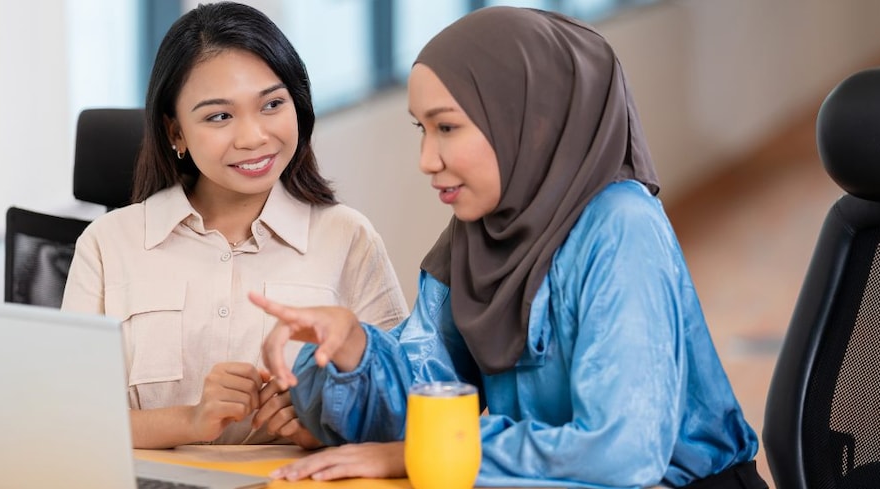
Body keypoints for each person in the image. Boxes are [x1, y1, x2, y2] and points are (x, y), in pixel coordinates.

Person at [250, 7, 767, 488]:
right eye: (421, 129)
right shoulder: (475, 236)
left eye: (447, 127)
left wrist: (416, 454)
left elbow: (620, 452)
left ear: (531, 122)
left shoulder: (621, 226)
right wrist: (352, 347)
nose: (427, 159)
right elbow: (423, 399)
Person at [62, 1, 409, 450]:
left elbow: (402, 407)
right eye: (219, 116)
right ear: (175, 132)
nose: (253, 137)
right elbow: (71, 419)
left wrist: (322, 428)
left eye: (272, 104)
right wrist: (190, 421)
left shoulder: (348, 238)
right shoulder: (108, 244)